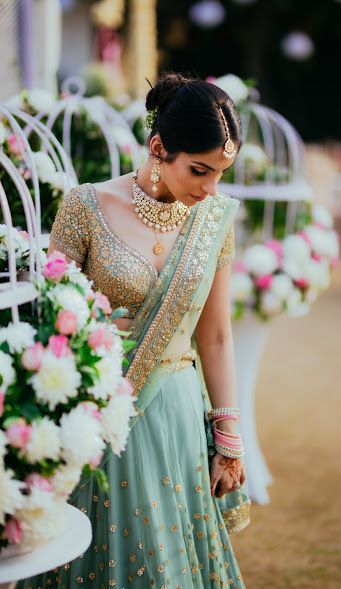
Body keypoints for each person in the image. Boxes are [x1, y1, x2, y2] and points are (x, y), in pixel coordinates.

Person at [20, 72, 250, 589]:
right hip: (100, 411)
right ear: (158, 146)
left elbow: (214, 336)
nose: (210, 188)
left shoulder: (214, 218)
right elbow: (48, 322)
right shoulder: (85, 206)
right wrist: (97, 327)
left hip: (177, 413)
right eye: (199, 170)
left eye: (220, 173)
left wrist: (229, 435)